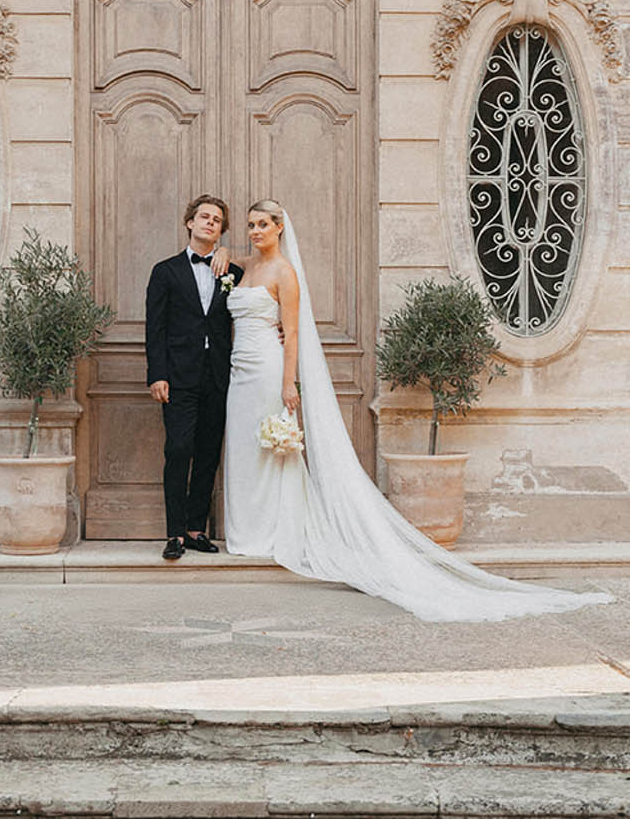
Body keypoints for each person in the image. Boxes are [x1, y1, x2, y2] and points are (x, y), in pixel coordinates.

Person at [220, 198, 609, 622]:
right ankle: (248, 532)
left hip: (269, 371)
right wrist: (223, 253)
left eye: (263, 224)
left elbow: (291, 334)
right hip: (239, 371)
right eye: (251, 225)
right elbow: (236, 262)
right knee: (244, 448)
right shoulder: (248, 267)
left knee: (273, 451)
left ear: (280, 227)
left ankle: (275, 532)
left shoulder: (285, 273)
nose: (255, 231)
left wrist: (288, 383)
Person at [143, 195, 235, 562]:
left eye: (217, 220)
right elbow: (156, 328)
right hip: (178, 379)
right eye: (204, 217)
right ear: (190, 223)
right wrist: (157, 374)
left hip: (219, 378)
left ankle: (198, 529)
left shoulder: (233, 272)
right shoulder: (165, 271)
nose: (210, 223)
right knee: (178, 450)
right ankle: (175, 533)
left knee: (208, 453)